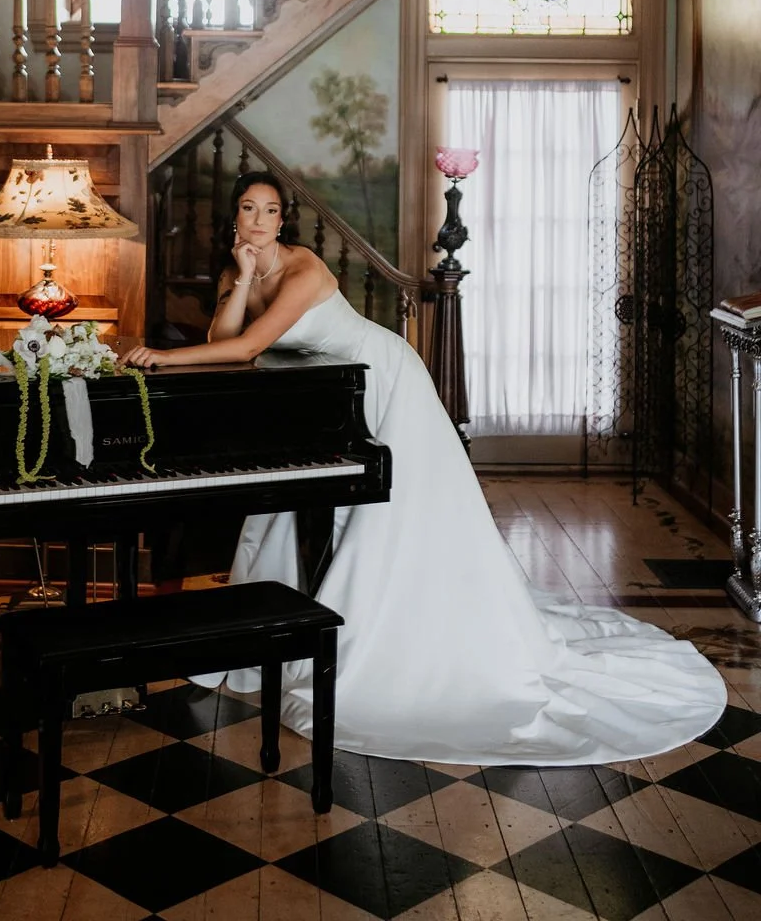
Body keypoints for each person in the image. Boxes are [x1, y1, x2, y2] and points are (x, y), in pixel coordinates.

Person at [121, 171, 726, 766]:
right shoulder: (238, 269)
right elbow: (223, 341)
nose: (258, 220)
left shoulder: (306, 268)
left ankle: (382, 636)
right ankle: (275, 632)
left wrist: (164, 356)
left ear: (284, 220)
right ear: (235, 217)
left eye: (270, 210)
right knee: (281, 504)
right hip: (324, 398)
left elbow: (248, 349)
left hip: (382, 382)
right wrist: (245, 274)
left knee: (388, 520)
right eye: (248, 209)